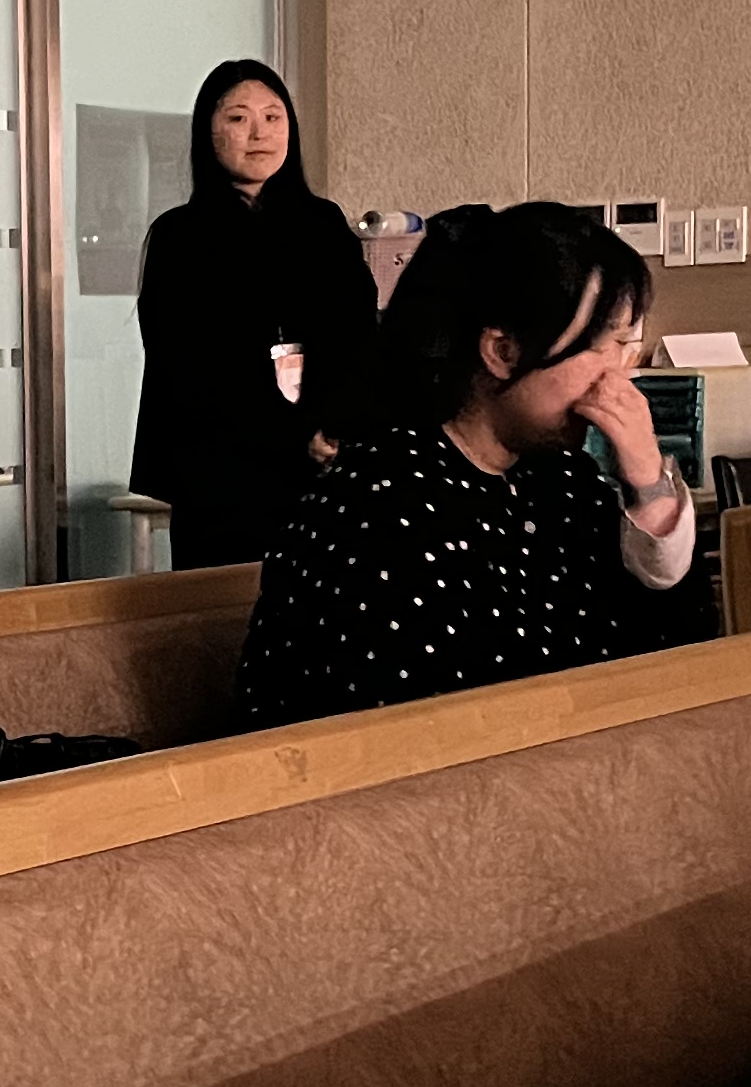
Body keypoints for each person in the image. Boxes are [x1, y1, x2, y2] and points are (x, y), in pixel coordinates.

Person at [233, 199, 698, 729]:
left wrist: (648, 487)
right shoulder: (378, 505)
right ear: (502, 352)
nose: (616, 377)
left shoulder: (561, 478)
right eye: (603, 345)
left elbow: (676, 654)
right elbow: (440, 725)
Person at [126, 59, 381, 570]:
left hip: (324, 472)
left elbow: (357, 339)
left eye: (273, 117)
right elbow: (187, 367)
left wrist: (331, 427)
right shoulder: (180, 236)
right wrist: (294, 435)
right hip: (222, 476)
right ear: (208, 132)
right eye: (238, 118)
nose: (259, 133)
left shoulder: (324, 224)